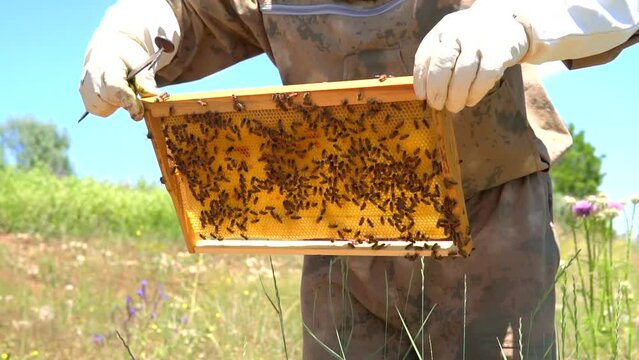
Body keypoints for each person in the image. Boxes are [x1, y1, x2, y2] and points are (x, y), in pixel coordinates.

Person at [79, 0, 638, 358]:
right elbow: (191, 12)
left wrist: (514, 20)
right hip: (344, 232)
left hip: (490, 227)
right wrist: (131, 30)